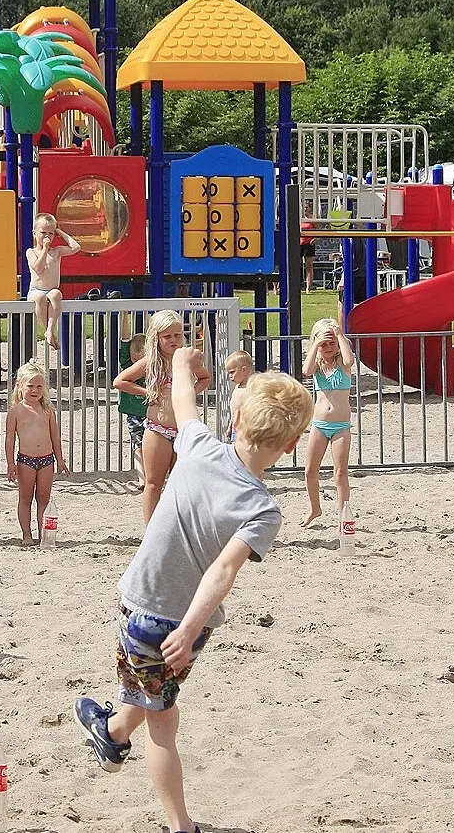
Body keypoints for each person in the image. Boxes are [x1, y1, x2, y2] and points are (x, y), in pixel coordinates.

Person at [72, 347, 312, 833]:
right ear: (290, 446)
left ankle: (180, 825)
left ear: (238, 415)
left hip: (145, 607)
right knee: (155, 693)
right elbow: (223, 572)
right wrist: (191, 627)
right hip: (191, 625)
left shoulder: (199, 445)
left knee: (162, 720)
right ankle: (113, 731)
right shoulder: (264, 509)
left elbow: (183, 395)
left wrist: (182, 358)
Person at [113, 310, 211, 524]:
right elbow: (120, 381)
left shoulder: (187, 360)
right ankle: (151, 530)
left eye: (177, 335)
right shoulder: (150, 362)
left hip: (183, 429)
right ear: (156, 338)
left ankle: (178, 528)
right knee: (153, 483)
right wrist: (147, 393)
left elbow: (205, 377)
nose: (173, 340)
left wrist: (191, 391)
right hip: (158, 428)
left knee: (182, 484)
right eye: (167, 336)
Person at [301, 313, 356, 527]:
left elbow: (350, 359)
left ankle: (344, 515)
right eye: (324, 344)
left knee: (340, 473)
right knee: (309, 471)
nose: (328, 348)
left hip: (341, 426)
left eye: (331, 343)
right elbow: (306, 371)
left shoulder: (343, 362)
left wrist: (339, 334)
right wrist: (316, 344)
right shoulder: (317, 364)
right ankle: (315, 508)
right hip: (319, 424)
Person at [6, 362, 67, 547]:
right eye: (30, 386)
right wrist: (11, 463)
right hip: (26, 460)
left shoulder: (48, 411)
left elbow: (55, 436)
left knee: (43, 498)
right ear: (20, 387)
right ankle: (26, 534)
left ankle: (43, 535)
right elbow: (10, 440)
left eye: (39, 386)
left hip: (47, 460)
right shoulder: (15, 412)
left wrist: (60, 459)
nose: (35, 390)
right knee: (25, 498)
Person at [25, 213, 81, 350]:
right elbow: (38, 268)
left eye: (50, 233)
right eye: (43, 232)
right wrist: (44, 249)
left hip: (52, 290)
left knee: (56, 294)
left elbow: (76, 247)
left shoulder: (57, 251)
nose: (47, 236)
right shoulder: (31, 252)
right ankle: (47, 330)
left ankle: (50, 330)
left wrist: (59, 231)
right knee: (40, 297)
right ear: (34, 233)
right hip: (36, 291)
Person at [119, 332, 149, 483]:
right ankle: (142, 479)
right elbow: (124, 342)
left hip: (152, 414)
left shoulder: (153, 369)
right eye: (134, 359)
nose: (136, 363)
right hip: (134, 414)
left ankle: (151, 476)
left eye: (140, 360)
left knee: (153, 447)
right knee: (138, 445)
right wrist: (124, 313)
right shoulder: (128, 366)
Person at [222, 350, 255, 440]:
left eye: (232, 372)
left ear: (244, 370)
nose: (230, 376)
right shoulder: (237, 387)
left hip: (248, 428)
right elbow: (234, 413)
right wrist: (230, 426)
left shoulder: (251, 389)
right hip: (236, 428)